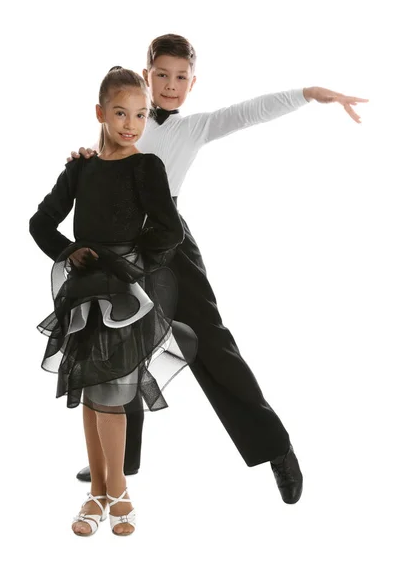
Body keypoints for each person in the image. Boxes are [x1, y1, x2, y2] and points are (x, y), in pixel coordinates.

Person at [71, 34, 369, 505]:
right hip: (118, 245)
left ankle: (277, 449)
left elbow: (249, 111)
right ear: (146, 76)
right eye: (162, 75)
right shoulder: (127, 118)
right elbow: (101, 166)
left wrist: (309, 94)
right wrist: (83, 158)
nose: (171, 86)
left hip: (169, 245)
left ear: (192, 82)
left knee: (212, 346)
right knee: (119, 349)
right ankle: (120, 460)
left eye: (181, 77)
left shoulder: (194, 127)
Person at [29, 65, 196, 537]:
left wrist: (131, 264)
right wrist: (69, 251)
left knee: (114, 393)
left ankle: (117, 489)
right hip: (84, 290)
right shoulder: (80, 167)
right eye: (120, 113)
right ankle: (99, 490)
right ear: (100, 112)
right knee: (90, 387)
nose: (130, 124)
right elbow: (40, 223)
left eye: (141, 115)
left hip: (124, 293)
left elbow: (169, 229)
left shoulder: (146, 167)